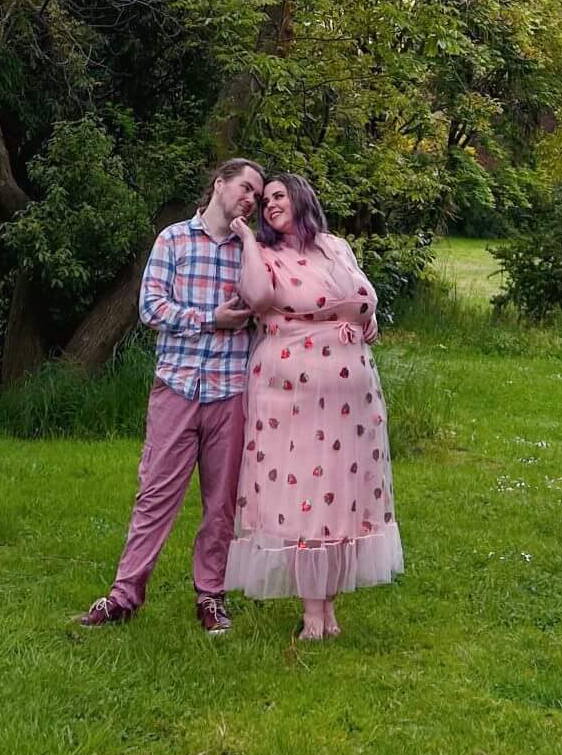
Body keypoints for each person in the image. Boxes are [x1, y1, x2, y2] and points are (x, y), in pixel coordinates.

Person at [73, 158, 264, 637]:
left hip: (230, 392)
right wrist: (209, 319)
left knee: (220, 503)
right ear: (219, 184)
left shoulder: (250, 251)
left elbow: (275, 304)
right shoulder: (173, 239)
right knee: (155, 495)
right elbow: (150, 307)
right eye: (245, 188)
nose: (250, 200)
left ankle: (211, 597)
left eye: (257, 197)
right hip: (176, 386)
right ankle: (124, 596)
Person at [225, 172, 403, 640]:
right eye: (264, 201)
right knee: (302, 491)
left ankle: (329, 606)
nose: (269, 206)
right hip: (291, 393)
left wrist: (371, 317)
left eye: (278, 196)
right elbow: (259, 297)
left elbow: (363, 297)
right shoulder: (264, 252)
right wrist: (245, 237)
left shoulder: (336, 246)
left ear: (301, 199)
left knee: (341, 495)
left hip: (351, 395)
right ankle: (311, 612)